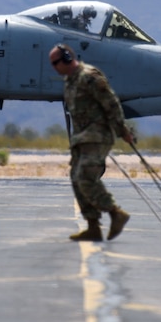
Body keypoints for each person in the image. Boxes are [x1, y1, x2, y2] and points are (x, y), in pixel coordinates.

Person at [49, 43, 132, 241]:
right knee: (76, 179)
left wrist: (122, 131)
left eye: (56, 63)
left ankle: (115, 213)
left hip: (98, 135)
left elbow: (111, 104)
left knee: (85, 177)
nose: (54, 67)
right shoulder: (70, 82)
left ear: (68, 59)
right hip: (81, 138)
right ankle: (93, 227)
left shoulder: (89, 77)